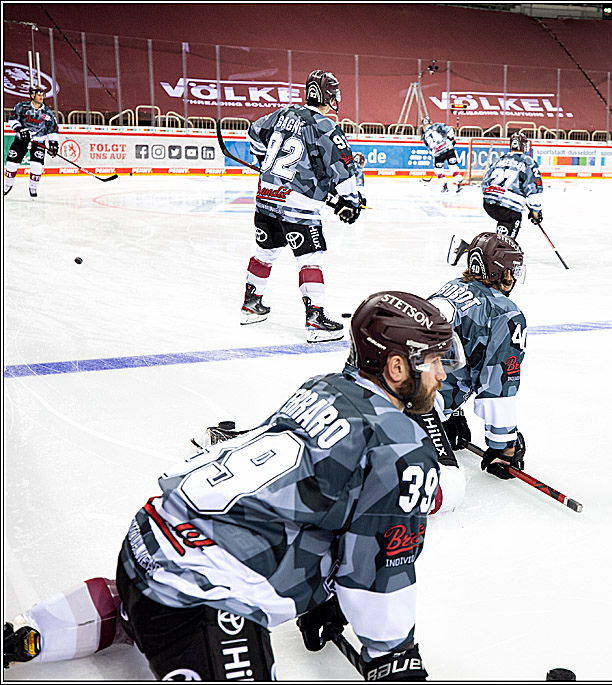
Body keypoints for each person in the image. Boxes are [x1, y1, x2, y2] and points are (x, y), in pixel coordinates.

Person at [4, 290, 465, 680]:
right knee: (179, 619)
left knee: (143, 611)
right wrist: (392, 654)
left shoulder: (324, 386)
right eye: (434, 362)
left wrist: (320, 597)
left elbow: (305, 498)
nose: (442, 374)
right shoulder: (400, 445)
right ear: (398, 369)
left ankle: (44, 629)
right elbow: (379, 571)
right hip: (198, 604)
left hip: (145, 545)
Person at [240, 69, 364, 343]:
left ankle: (250, 305)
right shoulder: (326, 127)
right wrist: (351, 202)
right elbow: (342, 169)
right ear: (330, 96)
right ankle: (316, 318)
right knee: (310, 258)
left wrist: (264, 162)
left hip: (266, 196)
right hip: (298, 205)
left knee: (265, 252)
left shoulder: (282, 114)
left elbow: (253, 132)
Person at [428, 232, 528, 481]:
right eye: (513, 269)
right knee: (448, 490)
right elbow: (498, 387)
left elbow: (445, 355)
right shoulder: (505, 313)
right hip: (415, 412)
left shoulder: (451, 287)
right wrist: (503, 446)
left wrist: (450, 413)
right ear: (502, 272)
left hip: (380, 392)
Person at [4, 84, 60, 198]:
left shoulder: (48, 113)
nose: (41, 97)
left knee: (36, 165)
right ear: (32, 95)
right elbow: (12, 119)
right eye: (39, 94)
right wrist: (20, 129)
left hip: (39, 141)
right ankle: (7, 185)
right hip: (21, 140)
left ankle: (33, 188)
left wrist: (54, 144)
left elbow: (53, 129)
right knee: (11, 163)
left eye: (42, 95)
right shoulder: (22, 107)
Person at [420, 116, 464, 193]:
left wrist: (434, 152)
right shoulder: (437, 125)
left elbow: (429, 147)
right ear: (430, 122)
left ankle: (444, 186)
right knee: (453, 166)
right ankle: (458, 185)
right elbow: (449, 129)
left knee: (438, 170)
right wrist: (451, 139)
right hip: (448, 149)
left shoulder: (424, 136)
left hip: (438, 154)